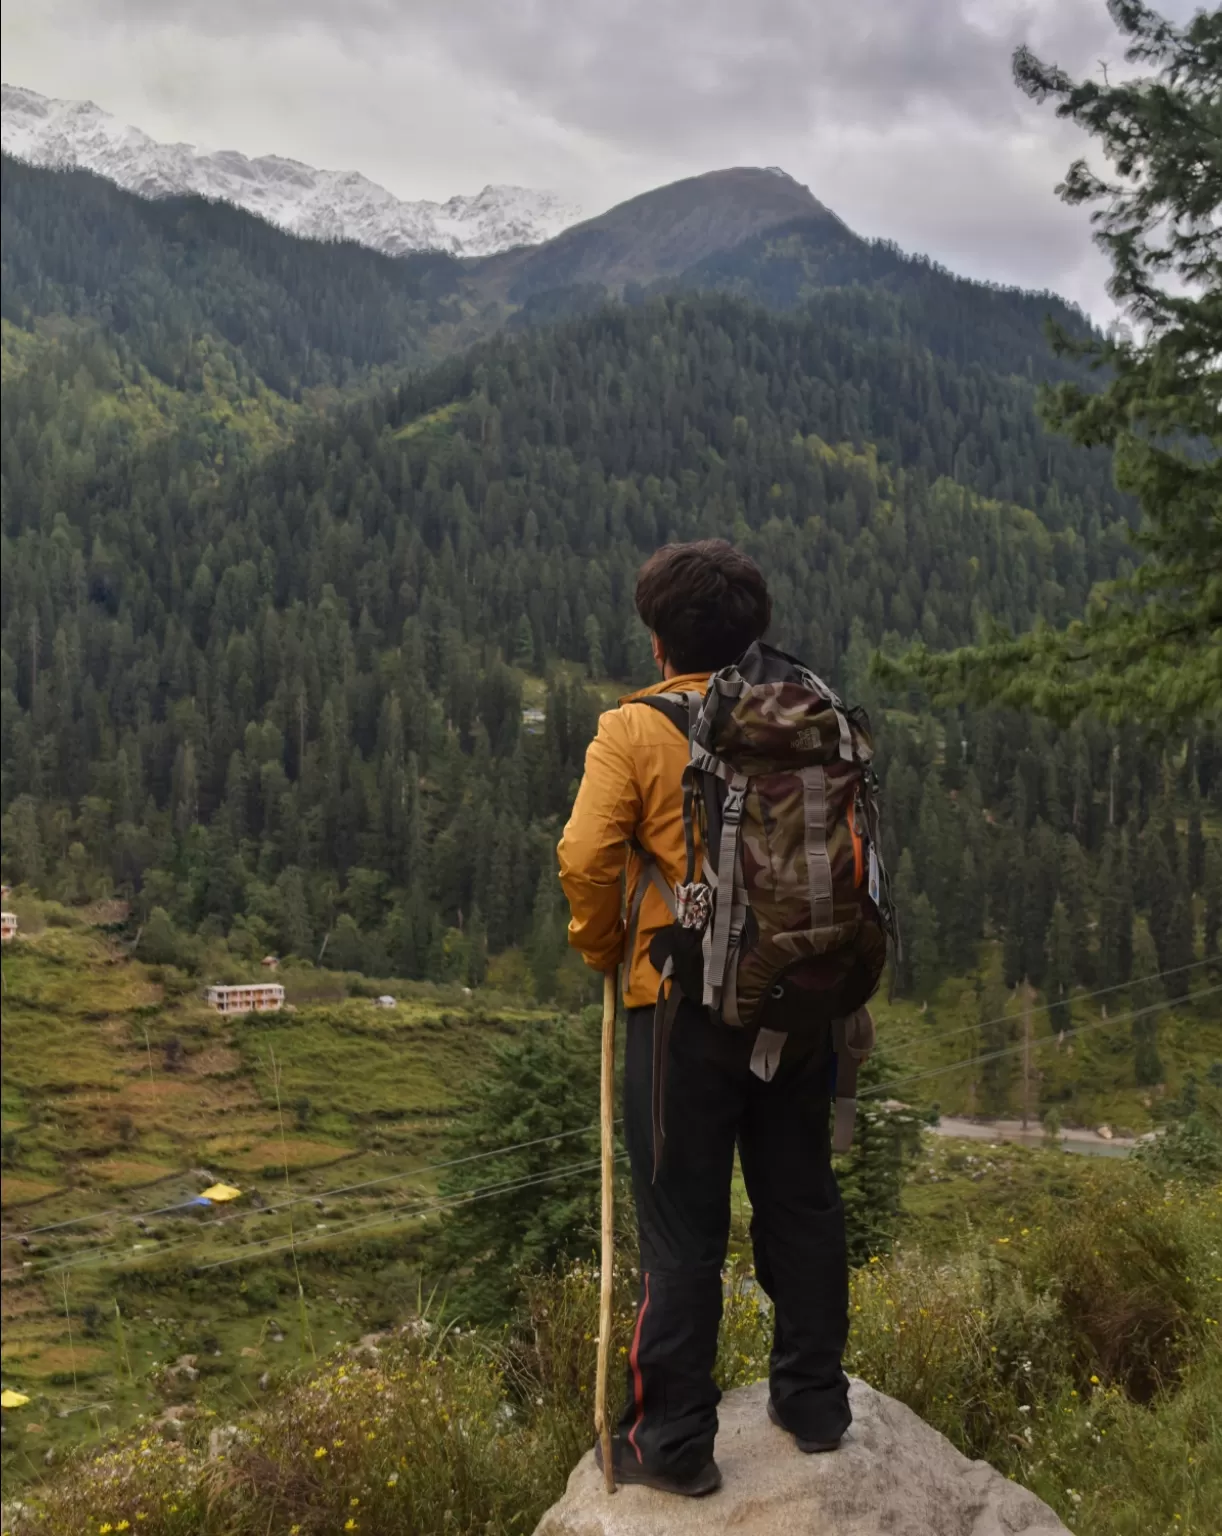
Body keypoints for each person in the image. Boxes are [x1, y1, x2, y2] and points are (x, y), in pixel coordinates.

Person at [557, 539, 851, 1496]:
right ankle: (814, 1405)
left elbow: (586, 855)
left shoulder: (631, 730)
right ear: (751, 634)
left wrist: (603, 947)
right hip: (798, 1003)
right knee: (800, 1200)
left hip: (678, 1013)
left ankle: (673, 1443)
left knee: (681, 1227)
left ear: (656, 643)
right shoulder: (811, 711)